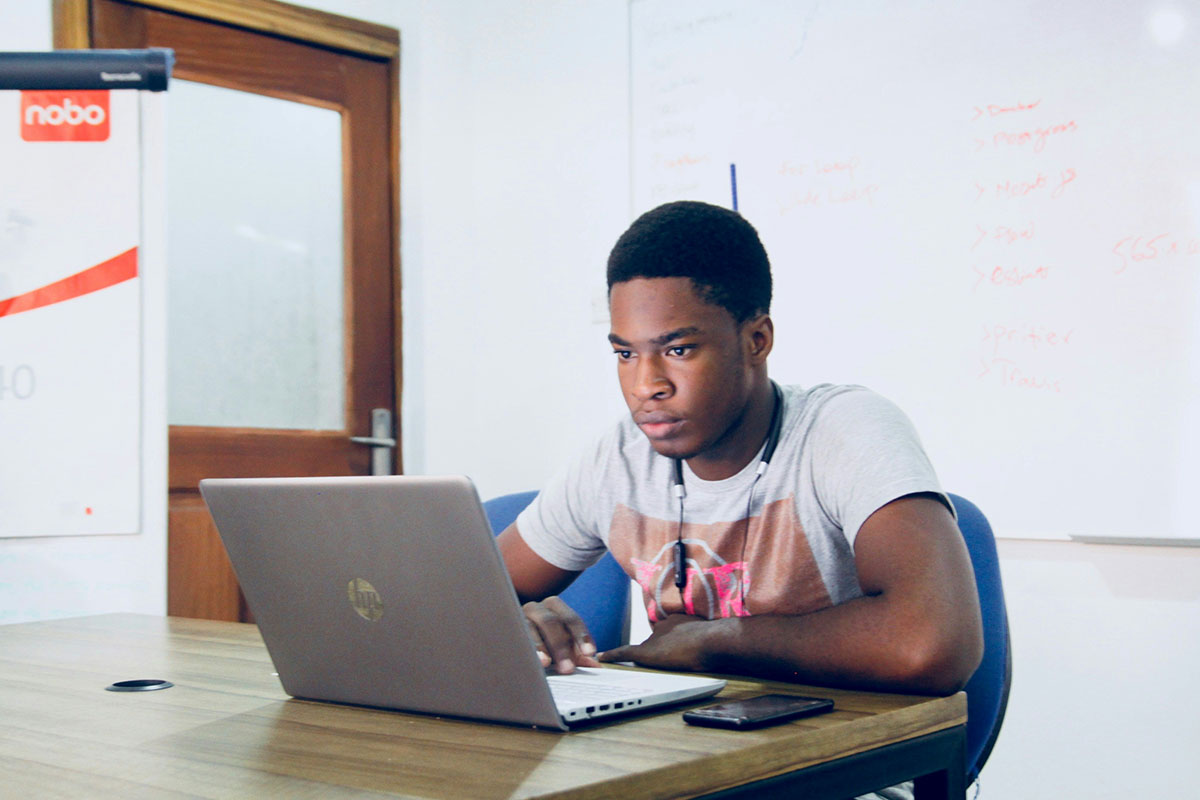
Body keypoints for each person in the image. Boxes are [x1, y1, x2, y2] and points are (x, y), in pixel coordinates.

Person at [497, 200, 982, 697]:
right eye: (625, 354)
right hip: (680, 751)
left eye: (678, 350)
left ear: (756, 339)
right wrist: (517, 621)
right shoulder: (618, 457)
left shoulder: (844, 430)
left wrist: (716, 641)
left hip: (843, 760)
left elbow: (932, 645)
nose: (646, 385)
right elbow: (454, 604)